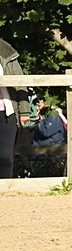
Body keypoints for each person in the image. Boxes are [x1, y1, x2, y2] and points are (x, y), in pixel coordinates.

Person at [0, 38, 32, 178]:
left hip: (6, 113)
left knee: (6, 159)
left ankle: (4, 188)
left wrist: (24, 111)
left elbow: (20, 83)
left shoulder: (5, 52)